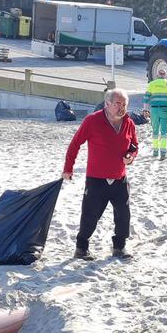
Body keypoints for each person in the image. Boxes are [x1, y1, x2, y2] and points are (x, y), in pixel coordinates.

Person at [63, 88, 139, 260]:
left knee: (123, 214)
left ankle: (119, 247)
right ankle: (81, 249)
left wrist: (130, 156)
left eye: (124, 104)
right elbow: (75, 144)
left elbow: (134, 145)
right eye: (118, 104)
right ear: (107, 104)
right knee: (90, 215)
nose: (122, 108)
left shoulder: (129, 122)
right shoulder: (92, 120)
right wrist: (68, 168)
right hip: (96, 179)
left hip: (120, 178)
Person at [143, 67, 167, 160]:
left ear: (157, 75)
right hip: (165, 110)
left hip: (154, 110)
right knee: (164, 131)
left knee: (155, 130)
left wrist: (145, 110)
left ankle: (155, 151)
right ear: (166, 75)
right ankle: (163, 152)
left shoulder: (152, 84)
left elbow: (146, 98)